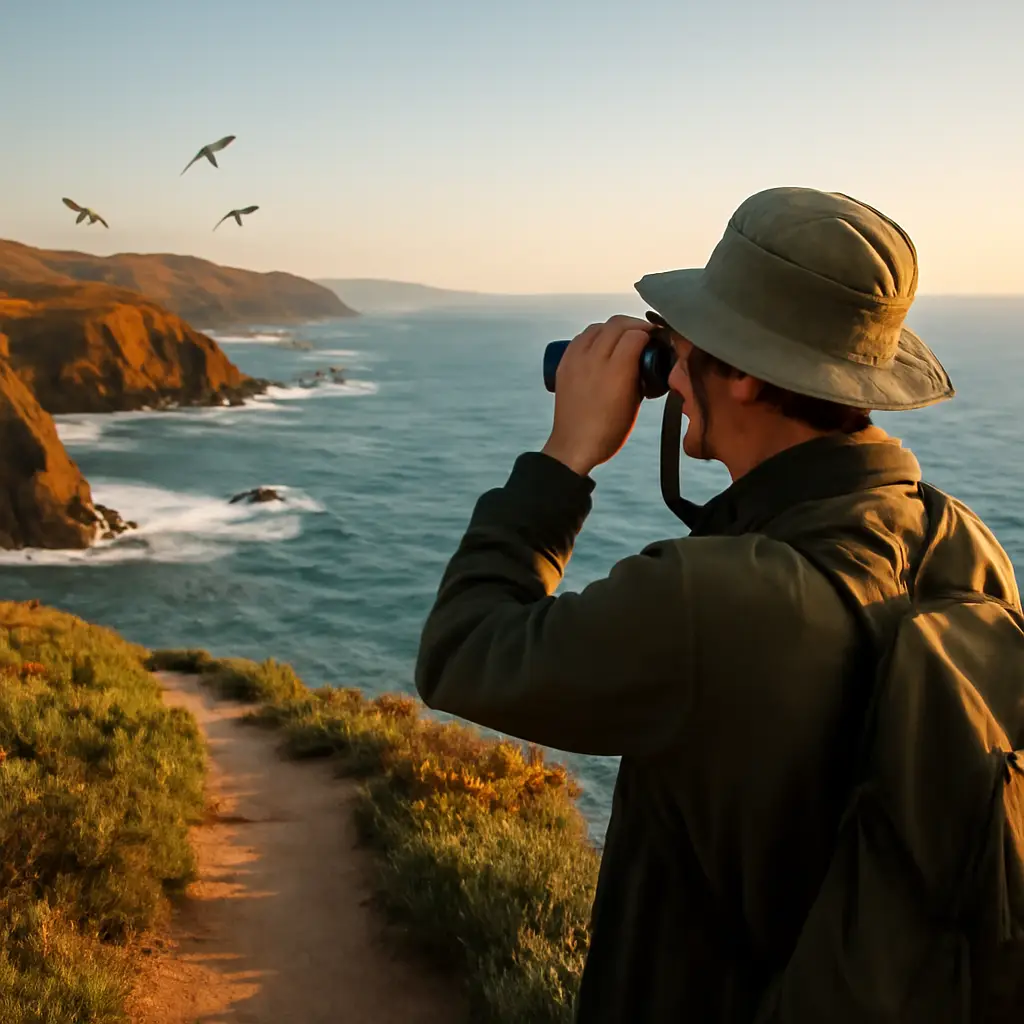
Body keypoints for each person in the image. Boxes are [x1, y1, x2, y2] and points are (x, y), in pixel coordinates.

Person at [414, 187, 1022, 1021]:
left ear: (738, 374)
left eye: (684, 337)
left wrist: (564, 460)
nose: (669, 356)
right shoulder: (964, 545)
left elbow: (461, 651)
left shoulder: (710, 600)